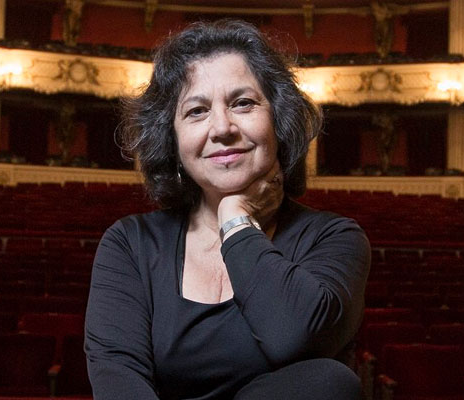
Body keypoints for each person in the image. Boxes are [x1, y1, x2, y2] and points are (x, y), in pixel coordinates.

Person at [85, 19, 370, 400]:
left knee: (328, 382)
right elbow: (118, 379)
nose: (222, 128)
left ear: (278, 121)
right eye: (196, 111)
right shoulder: (130, 244)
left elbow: (292, 337)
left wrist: (235, 219)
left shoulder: (335, 238)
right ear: (172, 139)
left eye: (243, 103)